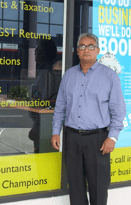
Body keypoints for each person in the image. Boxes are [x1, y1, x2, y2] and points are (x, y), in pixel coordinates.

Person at [51, 33, 126, 205]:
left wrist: (112, 138)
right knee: (75, 188)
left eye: (91, 46)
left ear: (97, 50)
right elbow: (60, 107)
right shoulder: (69, 76)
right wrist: (56, 132)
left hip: (98, 140)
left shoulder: (109, 76)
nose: (87, 50)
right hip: (72, 138)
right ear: (77, 51)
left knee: (98, 188)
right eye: (82, 46)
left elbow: (119, 111)